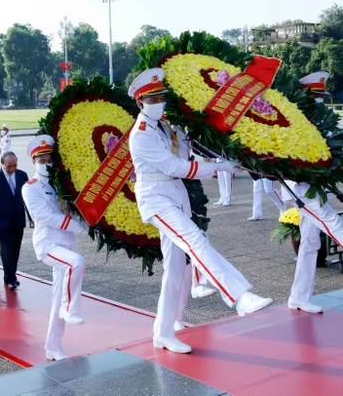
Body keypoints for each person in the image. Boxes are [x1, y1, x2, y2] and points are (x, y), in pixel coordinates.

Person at [128, 68, 272, 354]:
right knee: (196, 240)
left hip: (175, 195)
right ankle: (239, 296)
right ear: (139, 103)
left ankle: (163, 332)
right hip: (155, 198)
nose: (159, 102)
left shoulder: (167, 127)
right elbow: (176, 167)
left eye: (161, 97)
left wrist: (223, 156)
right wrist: (219, 168)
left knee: (174, 269)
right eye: (152, 98)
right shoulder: (141, 134)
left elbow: (189, 151)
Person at [22, 135, 87, 361]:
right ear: (33, 161)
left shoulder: (61, 183)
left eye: (48, 157)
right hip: (47, 243)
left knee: (57, 296)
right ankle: (70, 307)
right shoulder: (29, 188)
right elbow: (44, 216)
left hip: (66, 241)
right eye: (40, 158)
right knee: (76, 263)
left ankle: (53, 347)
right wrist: (77, 226)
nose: (45, 161)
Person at [281, 71, 341, 314]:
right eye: (315, 96)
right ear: (304, 95)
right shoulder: (295, 121)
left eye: (321, 96)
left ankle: (299, 296)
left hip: (313, 185)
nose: (320, 100)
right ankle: (299, 296)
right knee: (332, 222)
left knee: (310, 242)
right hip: (301, 186)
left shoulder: (318, 120)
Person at [0, 151, 29, 290]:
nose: (12, 169)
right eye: (8, 166)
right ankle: (10, 278)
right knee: (6, 250)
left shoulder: (22, 175)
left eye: (14, 165)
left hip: (18, 220)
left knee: (15, 250)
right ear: (2, 163)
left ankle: (11, 274)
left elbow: (28, 199)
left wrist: (31, 217)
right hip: (1, 222)